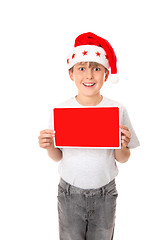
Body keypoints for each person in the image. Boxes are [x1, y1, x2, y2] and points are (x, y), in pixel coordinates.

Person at [38, 32, 140, 240]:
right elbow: (58, 156)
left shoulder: (117, 110)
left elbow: (123, 157)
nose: (89, 76)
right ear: (71, 74)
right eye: (81, 68)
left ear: (106, 73)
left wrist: (122, 144)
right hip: (69, 192)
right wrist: (49, 145)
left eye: (96, 68)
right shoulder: (61, 110)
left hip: (105, 193)